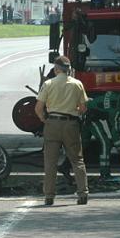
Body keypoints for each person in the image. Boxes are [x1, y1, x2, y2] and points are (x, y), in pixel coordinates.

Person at [35, 55, 89, 205]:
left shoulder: (48, 84)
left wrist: (44, 119)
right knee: (77, 160)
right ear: (69, 69)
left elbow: (38, 108)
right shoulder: (77, 84)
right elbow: (83, 108)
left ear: (56, 69)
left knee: (50, 161)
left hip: (52, 123)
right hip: (71, 124)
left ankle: (49, 196)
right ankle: (83, 193)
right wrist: (75, 111)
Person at [80, 91, 120, 181]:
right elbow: (114, 130)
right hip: (90, 117)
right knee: (106, 143)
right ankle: (105, 175)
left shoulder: (116, 97)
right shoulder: (116, 108)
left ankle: (64, 166)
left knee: (82, 144)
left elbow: (109, 118)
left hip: (86, 113)